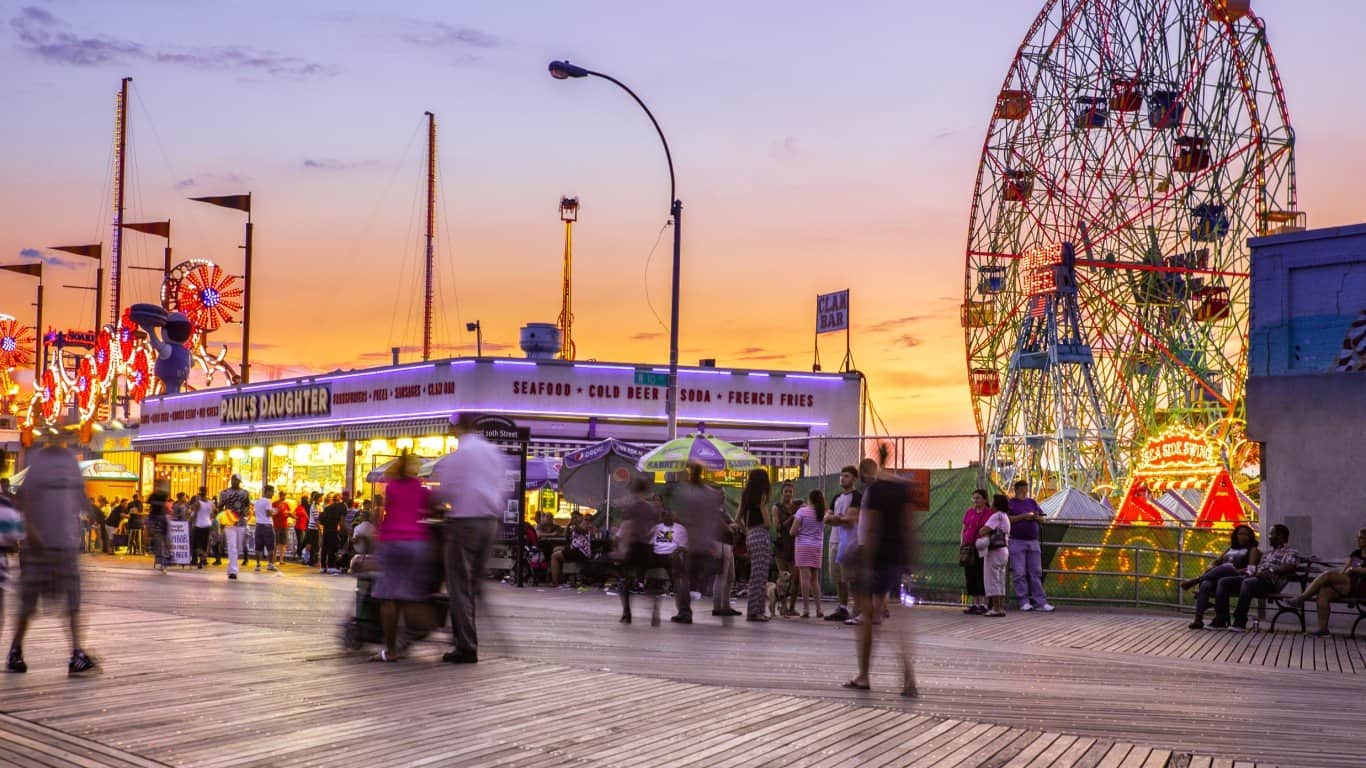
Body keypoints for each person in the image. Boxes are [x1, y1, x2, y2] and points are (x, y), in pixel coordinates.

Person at [6, 442, 98, 675]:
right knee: (28, 604)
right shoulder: (38, 460)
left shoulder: (70, 461)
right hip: (38, 547)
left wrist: (88, 511)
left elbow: (80, 497)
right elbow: (23, 500)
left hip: (65, 545)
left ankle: (77, 653)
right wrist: (31, 531)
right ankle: (16, 649)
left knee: (73, 602)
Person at [430, 413, 508, 664]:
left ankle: (465, 645)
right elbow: (503, 486)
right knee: (474, 585)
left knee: (459, 586)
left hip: (464, 521)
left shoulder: (459, 455)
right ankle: (469, 633)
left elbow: (445, 491)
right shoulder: (492, 452)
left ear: (458, 428)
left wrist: (437, 503)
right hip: (489, 521)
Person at [846, 455, 916, 696]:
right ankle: (908, 674)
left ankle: (864, 675)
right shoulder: (903, 490)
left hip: (876, 559)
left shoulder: (875, 491)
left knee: (868, 619)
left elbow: (871, 528)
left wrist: (865, 562)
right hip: (897, 557)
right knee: (896, 619)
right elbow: (909, 526)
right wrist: (909, 559)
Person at [370, 453, 440, 662]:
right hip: (416, 544)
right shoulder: (422, 490)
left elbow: (384, 513)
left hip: (392, 541)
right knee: (409, 596)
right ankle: (430, 625)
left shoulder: (391, 487)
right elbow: (432, 511)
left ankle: (391, 650)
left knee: (389, 598)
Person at [1212, 524, 1299, 632]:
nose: (1269, 537)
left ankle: (1240, 621)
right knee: (1223, 582)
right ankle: (1220, 620)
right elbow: (1256, 568)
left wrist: (1271, 570)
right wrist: (1250, 572)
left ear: (1280, 536)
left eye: (1271, 534)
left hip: (1270, 583)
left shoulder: (1291, 552)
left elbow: (1291, 566)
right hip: (1254, 579)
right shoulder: (1268, 553)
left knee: (1247, 583)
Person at [1291, 528, 1366, 636]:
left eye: (1361, 538)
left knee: (1327, 575)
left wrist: (1354, 569)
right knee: (1324, 592)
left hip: (1362, 586)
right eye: (1358, 537)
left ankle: (1301, 598)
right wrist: (1343, 574)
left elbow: (1352, 569)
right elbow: (1344, 571)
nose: (1358, 540)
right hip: (1348, 584)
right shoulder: (1355, 554)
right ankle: (1323, 630)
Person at [1185, 524, 1260, 629]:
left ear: (1250, 537)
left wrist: (1237, 571)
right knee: (1206, 584)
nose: (1243, 537)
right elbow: (1216, 562)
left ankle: (1196, 580)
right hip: (1221, 578)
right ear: (1236, 535)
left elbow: (1251, 570)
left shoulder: (1252, 550)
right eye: (1240, 534)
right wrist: (1212, 567)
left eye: (1246, 535)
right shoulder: (1230, 549)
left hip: (1237, 580)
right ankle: (1198, 620)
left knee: (1227, 567)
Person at [615, 476, 659, 624]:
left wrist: (622, 549)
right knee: (644, 578)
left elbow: (627, 528)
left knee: (624, 580)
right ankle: (654, 607)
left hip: (633, 546)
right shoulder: (651, 508)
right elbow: (654, 528)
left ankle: (626, 613)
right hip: (647, 548)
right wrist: (646, 536)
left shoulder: (631, 508)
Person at [1006, 480, 1054, 612]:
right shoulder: (1011, 503)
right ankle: (1023, 601)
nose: (1024, 492)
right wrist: (1024, 516)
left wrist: (1036, 518)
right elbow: (1007, 519)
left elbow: (1043, 518)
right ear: (1016, 490)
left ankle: (1040, 602)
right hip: (1016, 541)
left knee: (1036, 572)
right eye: (1022, 490)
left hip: (1033, 541)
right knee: (1019, 572)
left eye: (1026, 490)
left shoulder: (1032, 502)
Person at [823, 466, 863, 623]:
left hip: (849, 542)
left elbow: (850, 519)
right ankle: (843, 608)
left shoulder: (857, 497)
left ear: (854, 479)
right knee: (838, 578)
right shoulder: (837, 497)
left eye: (846, 476)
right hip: (834, 541)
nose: (842, 478)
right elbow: (827, 518)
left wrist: (837, 518)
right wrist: (838, 518)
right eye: (841, 476)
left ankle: (858, 610)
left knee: (851, 578)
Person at [736, 469, 773, 622]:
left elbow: (737, 518)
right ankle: (755, 612)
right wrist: (763, 508)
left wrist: (747, 531)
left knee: (755, 574)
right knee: (761, 576)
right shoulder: (762, 497)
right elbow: (768, 524)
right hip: (761, 535)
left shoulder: (745, 496)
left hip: (750, 536)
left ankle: (755, 611)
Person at [790, 489, 827, 618]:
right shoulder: (822, 513)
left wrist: (801, 531)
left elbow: (792, 531)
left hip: (803, 546)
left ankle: (806, 609)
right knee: (814, 580)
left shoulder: (802, 512)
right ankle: (819, 609)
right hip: (817, 547)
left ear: (809, 499)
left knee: (804, 578)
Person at [976, 495, 1012, 617]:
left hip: (994, 551)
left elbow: (983, 530)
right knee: (1000, 579)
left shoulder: (996, 516)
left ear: (996, 505)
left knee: (992, 580)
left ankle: (996, 608)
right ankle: (1000, 607)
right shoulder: (1005, 517)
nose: (990, 505)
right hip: (1004, 550)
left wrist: (983, 532)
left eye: (992, 503)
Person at [960, 489, 992, 615]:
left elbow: (989, 529)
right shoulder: (969, 512)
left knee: (981, 574)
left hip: (981, 547)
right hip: (969, 547)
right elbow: (964, 528)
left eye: (978, 498)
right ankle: (974, 603)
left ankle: (983, 603)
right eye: (974, 498)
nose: (975, 500)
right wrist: (962, 543)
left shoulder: (988, 513)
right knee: (970, 574)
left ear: (984, 499)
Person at [215, 476, 251, 581]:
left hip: (241, 522)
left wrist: (246, 511)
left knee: (238, 547)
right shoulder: (225, 492)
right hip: (229, 523)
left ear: (239, 481)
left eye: (236, 480)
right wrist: (220, 521)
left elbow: (247, 505)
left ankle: (231, 568)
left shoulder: (245, 493)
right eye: (233, 479)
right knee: (232, 546)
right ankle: (233, 571)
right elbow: (220, 507)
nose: (234, 481)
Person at [772, 481, 799, 616]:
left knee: (795, 578)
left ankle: (792, 607)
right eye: (786, 491)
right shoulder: (777, 507)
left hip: (795, 544)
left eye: (790, 491)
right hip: (782, 545)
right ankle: (783, 606)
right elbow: (777, 526)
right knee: (782, 578)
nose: (788, 494)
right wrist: (792, 518)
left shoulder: (797, 506)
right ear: (782, 493)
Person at [551, 511, 594, 587]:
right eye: (573, 517)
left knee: (555, 556)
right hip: (574, 549)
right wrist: (569, 524)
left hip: (581, 551)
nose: (575, 519)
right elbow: (566, 535)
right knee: (555, 549)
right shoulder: (575, 526)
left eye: (576, 517)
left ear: (581, 517)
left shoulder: (586, 524)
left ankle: (555, 582)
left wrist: (575, 523)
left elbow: (581, 530)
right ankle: (561, 576)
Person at [319, 492, 348, 574]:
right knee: (333, 547)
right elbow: (342, 521)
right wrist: (347, 532)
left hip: (326, 529)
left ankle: (323, 567)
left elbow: (321, 520)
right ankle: (331, 566)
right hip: (333, 529)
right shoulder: (342, 507)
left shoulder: (328, 507)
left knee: (325, 547)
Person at [146, 481, 171, 572]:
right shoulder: (162, 495)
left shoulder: (156, 495)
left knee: (160, 537)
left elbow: (149, 502)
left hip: (156, 517)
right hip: (159, 517)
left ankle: (161, 554)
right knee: (163, 537)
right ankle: (164, 556)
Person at [253, 484, 278, 573]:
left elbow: (255, 513)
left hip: (258, 525)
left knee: (258, 547)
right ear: (267, 492)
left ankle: (258, 565)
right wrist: (274, 512)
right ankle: (270, 564)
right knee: (271, 546)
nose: (273, 494)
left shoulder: (257, 501)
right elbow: (268, 514)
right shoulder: (268, 501)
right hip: (267, 526)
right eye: (272, 492)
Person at [190, 487, 213, 568]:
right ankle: (202, 561)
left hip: (198, 525)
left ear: (199, 492)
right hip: (207, 525)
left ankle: (198, 558)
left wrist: (191, 521)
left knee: (196, 544)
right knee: (204, 544)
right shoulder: (210, 503)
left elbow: (194, 514)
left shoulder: (198, 503)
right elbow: (213, 514)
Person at [272, 491, 291, 563]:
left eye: (285, 496)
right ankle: (274, 558)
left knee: (283, 543)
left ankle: (281, 559)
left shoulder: (286, 504)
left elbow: (289, 513)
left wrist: (289, 515)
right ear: (280, 496)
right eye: (283, 495)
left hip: (284, 525)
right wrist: (278, 511)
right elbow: (273, 514)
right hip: (276, 525)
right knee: (275, 542)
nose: (284, 497)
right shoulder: (274, 503)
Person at [125, 491, 144, 556]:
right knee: (135, 536)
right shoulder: (139, 503)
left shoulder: (131, 503)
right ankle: (136, 549)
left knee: (132, 536)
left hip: (132, 523)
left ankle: (132, 549)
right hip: (137, 523)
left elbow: (127, 512)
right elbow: (140, 511)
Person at [294, 495, 312, 563]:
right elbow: (295, 514)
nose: (306, 501)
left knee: (303, 541)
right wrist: (296, 517)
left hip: (305, 526)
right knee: (301, 541)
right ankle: (299, 554)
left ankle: (299, 553)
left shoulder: (308, 506)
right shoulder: (300, 507)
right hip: (300, 527)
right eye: (306, 499)